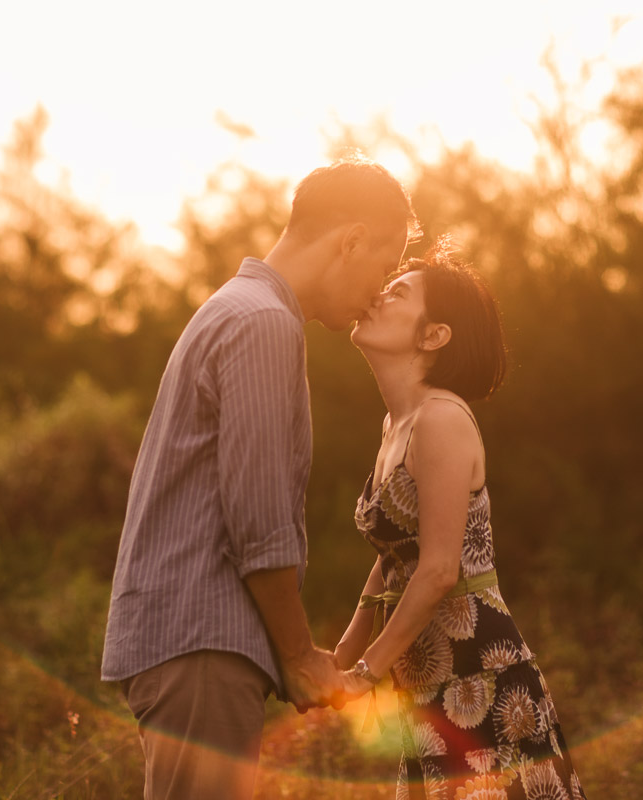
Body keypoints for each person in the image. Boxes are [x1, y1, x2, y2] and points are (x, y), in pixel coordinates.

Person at [101, 157, 419, 800]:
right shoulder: (263, 323)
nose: (379, 292)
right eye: (384, 267)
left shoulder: (240, 309)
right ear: (350, 240)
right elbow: (259, 519)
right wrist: (299, 655)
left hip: (190, 642)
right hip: (200, 644)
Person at [333, 244, 588, 799]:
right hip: (426, 678)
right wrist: (341, 658)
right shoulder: (395, 424)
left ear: (434, 336)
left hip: (480, 674)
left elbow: (439, 569)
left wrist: (365, 674)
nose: (378, 294)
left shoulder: (442, 418)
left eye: (399, 292)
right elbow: (394, 559)